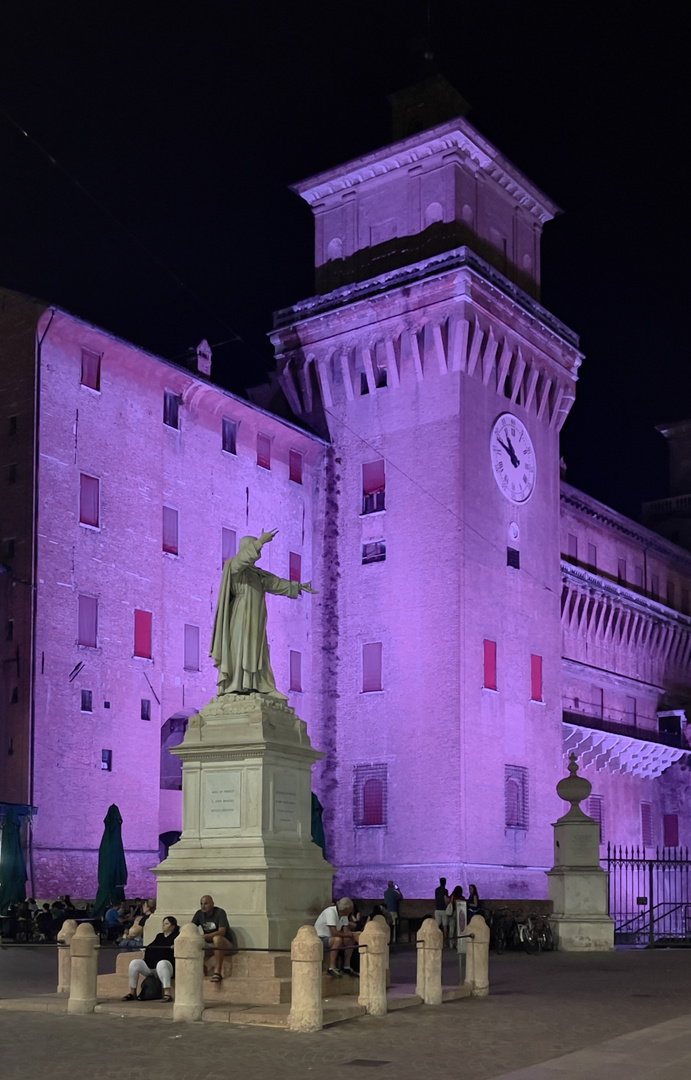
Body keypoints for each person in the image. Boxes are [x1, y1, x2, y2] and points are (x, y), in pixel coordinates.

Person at [210, 528, 317, 699]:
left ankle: (260, 685)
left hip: (256, 618)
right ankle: (236, 684)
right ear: (246, 548)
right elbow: (241, 561)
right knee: (241, 648)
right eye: (254, 547)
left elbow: (275, 583)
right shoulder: (233, 567)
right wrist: (261, 541)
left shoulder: (257, 574)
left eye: (258, 549)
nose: (258, 551)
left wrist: (298, 586)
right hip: (240, 616)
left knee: (258, 651)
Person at [122, 916, 179, 1002]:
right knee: (134, 963)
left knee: (162, 963)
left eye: (166, 924)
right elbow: (151, 947)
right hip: (152, 966)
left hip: (167, 968)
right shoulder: (159, 936)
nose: (163, 926)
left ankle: (167, 993)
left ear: (173, 926)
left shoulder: (177, 936)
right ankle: (132, 993)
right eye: (163, 924)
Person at [314, 897, 359, 978]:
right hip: (321, 938)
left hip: (330, 938)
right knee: (337, 940)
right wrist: (351, 934)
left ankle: (346, 966)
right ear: (346, 909)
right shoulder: (330, 912)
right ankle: (332, 968)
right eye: (351, 909)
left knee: (349, 939)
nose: (351, 911)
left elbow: (346, 932)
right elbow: (334, 932)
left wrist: (353, 935)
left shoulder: (344, 915)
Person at [191, 894, 232, 981]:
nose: (203, 906)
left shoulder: (220, 912)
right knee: (193, 942)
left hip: (225, 943)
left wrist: (205, 936)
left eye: (206, 904)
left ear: (212, 904)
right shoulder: (199, 914)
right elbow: (192, 928)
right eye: (201, 904)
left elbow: (222, 932)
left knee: (216, 938)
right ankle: (200, 969)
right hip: (209, 944)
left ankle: (218, 971)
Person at [434, 877, 450, 943]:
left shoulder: (436, 890)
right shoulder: (445, 890)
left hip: (437, 909)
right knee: (445, 926)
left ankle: (436, 939)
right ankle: (445, 940)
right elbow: (445, 899)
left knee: (437, 926)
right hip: (443, 910)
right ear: (445, 882)